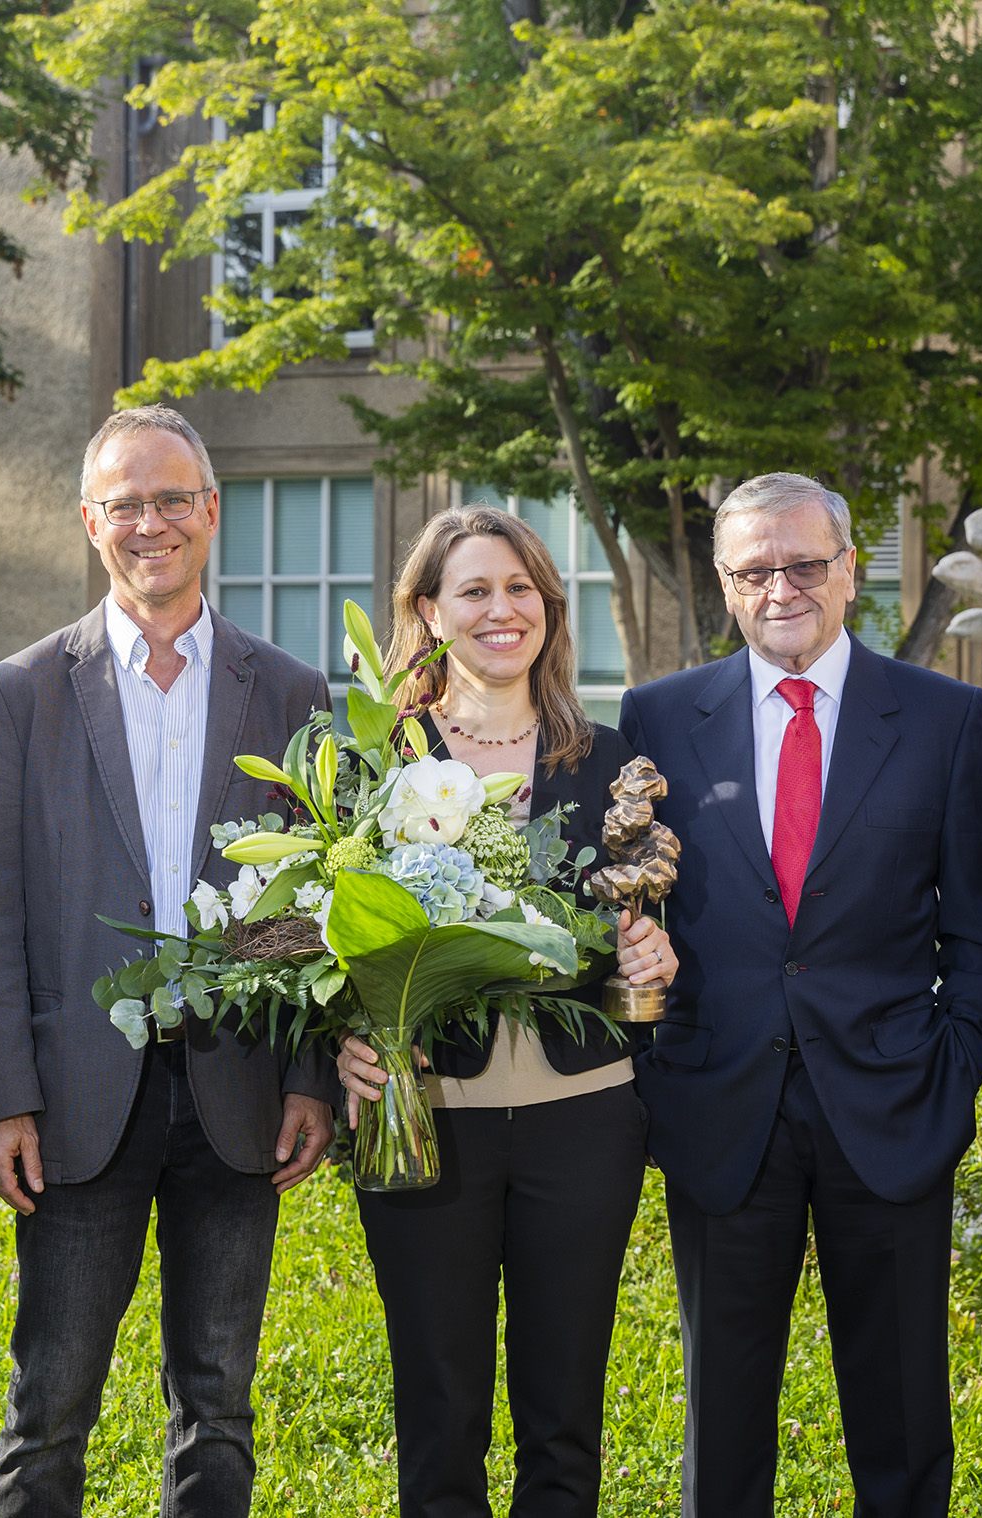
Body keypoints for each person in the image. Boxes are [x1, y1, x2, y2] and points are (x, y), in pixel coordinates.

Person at [0, 405, 338, 1518]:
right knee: (49, 1407)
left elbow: (314, 903)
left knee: (218, 1403)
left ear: (211, 514)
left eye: (173, 498)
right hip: (74, 1101)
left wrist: (308, 1075)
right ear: (90, 520)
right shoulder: (20, 693)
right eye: (125, 501)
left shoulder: (290, 692)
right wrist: (1, 1095)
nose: (150, 522)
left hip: (237, 1094)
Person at [620, 472, 982, 1518]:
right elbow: (634, 917)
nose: (781, 587)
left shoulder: (941, 717)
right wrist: (655, 1062)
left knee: (900, 1425)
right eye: (755, 570)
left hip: (888, 1112)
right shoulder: (657, 716)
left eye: (803, 564)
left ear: (849, 571)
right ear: (723, 582)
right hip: (720, 1108)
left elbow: (978, 931)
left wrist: (950, 1072)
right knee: (724, 1427)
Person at [333, 504, 678, 1518]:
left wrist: (658, 954)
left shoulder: (608, 760)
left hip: (585, 1118)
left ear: (548, 608)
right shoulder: (375, 761)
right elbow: (320, 933)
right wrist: (342, 1045)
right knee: (438, 1414)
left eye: (520, 588)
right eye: (474, 590)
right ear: (428, 612)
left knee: (564, 1411)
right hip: (425, 1113)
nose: (500, 609)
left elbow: (652, 932)